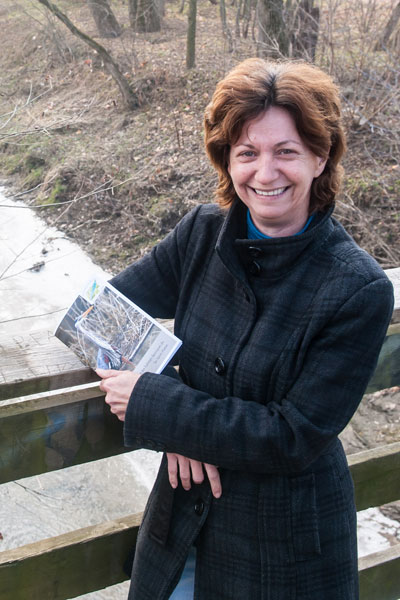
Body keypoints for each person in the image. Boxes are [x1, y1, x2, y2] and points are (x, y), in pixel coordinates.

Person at [96, 58, 394, 600]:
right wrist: (174, 417)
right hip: (181, 522)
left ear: (320, 157)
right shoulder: (204, 233)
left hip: (284, 544)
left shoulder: (357, 288)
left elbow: (293, 435)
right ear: (226, 160)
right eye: (247, 153)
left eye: (287, 152)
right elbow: (101, 311)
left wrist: (166, 410)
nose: (266, 172)